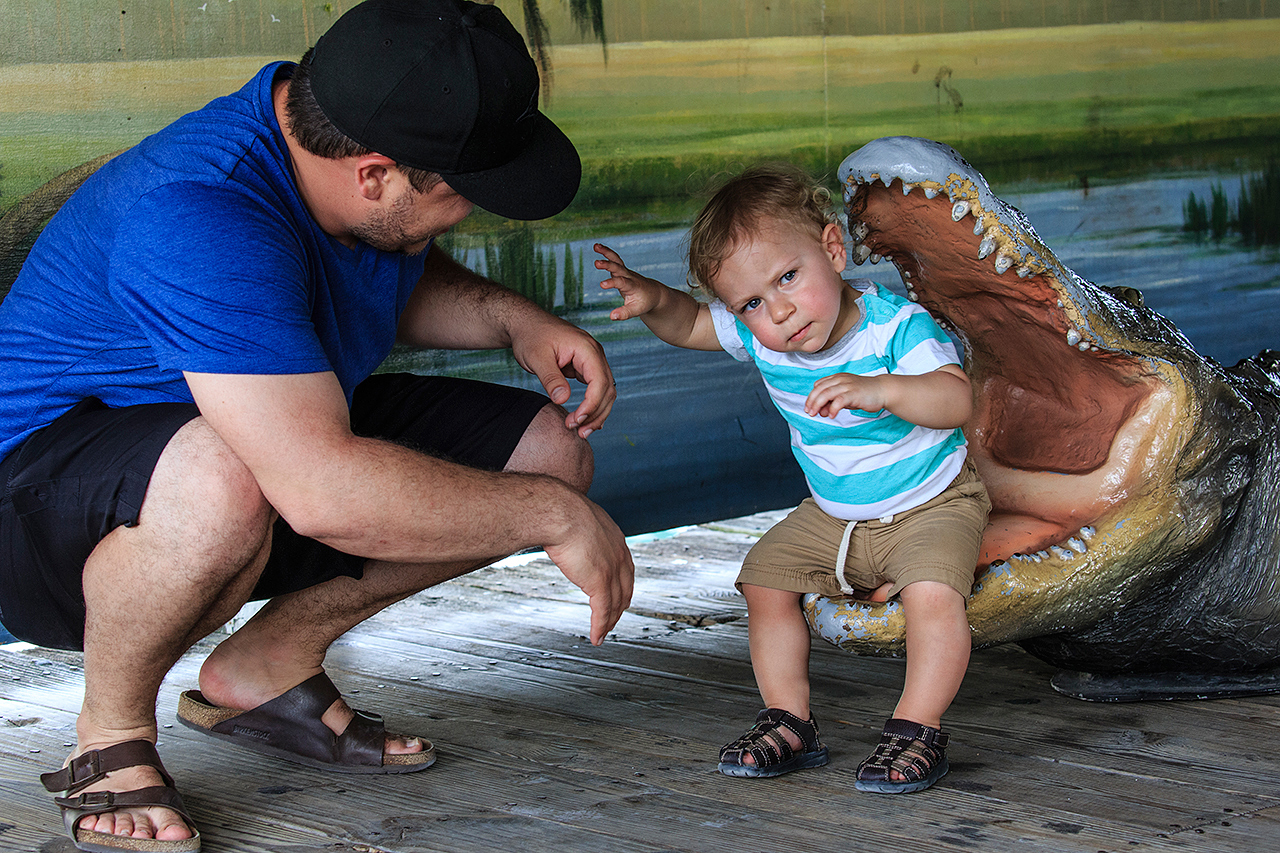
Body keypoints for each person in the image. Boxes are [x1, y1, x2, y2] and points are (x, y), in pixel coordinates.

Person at [0, 1, 634, 850]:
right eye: (460, 194)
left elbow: (388, 255)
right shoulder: (203, 211)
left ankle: (265, 666)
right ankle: (108, 736)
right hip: (39, 519)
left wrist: (510, 318)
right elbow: (320, 489)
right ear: (374, 172)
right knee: (228, 474)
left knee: (544, 453)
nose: (468, 216)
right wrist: (555, 519)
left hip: (242, 449)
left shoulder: (334, 135)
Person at [594, 163, 989, 793]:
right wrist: (652, 299)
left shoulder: (897, 326)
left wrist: (881, 390)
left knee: (933, 597)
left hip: (931, 502)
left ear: (833, 250)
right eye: (751, 302)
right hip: (834, 514)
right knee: (762, 580)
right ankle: (790, 721)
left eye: (788, 277)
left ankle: (918, 728)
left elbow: (955, 400)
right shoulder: (766, 340)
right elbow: (693, 323)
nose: (777, 310)